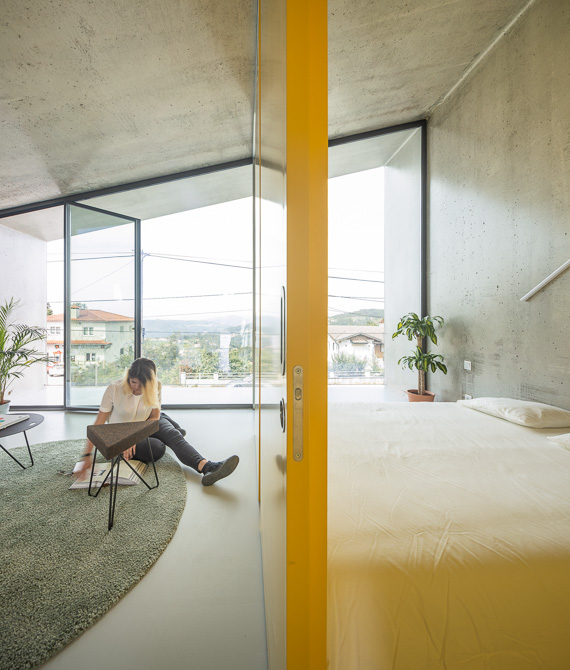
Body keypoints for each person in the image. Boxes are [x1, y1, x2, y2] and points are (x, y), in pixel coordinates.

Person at [75, 358, 239, 486]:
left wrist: (136, 437)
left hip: (147, 423)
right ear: (129, 377)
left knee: (171, 433)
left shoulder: (157, 386)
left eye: (142, 385)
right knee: (158, 448)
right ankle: (171, 431)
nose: (136, 388)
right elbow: (98, 424)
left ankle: (207, 467)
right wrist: (87, 455)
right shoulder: (114, 388)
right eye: (133, 382)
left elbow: (154, 416)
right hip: (120, 436)